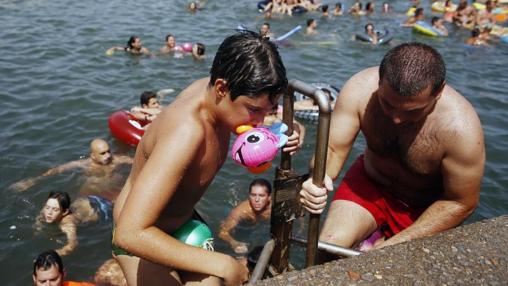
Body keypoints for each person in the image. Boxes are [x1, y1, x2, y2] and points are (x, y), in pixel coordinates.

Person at [112, 31, 300, 286]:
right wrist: (223, 263)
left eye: (268, 111)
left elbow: (259, 114)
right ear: (222, 88)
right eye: (254, 110)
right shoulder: (187, 132)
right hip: (141, 237)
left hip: (181, 222)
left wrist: (285, 134)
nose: (260, 122)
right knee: (224, 272)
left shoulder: (214, 91)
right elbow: (129, 233)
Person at [300, 43, 485, 258]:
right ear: (379, 82)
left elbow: (461, 202)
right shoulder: (359, 90)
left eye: (412, 111)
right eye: (387, 103)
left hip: (422, 207)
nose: (396, 118)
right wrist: (318, 179)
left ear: (439, 91)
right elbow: (332, 149)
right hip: (370, 184)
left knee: (383, 264)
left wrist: (392, 247)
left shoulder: (461, 129)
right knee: (327, 249)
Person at [9, 139, 132, 201]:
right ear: (93, 155)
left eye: (109, 151)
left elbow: (134, 160)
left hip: (114, 191)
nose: (108, 156)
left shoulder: (116, 160)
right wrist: (33, 180)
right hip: (92, 191)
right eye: (103, 153)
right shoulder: (83, 164)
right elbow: (58, 169)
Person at [35, 191, 112, 256]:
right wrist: (38, 226)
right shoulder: (48, 209)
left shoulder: (67, 223)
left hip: (99, 208)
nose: (49, 213)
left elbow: (72, 245)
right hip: (84, 201)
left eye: (55, 210)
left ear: (65, 212)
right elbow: (40, 216)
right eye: (47, 207)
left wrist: (51, 255)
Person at [219, 179, 272, 254]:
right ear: (249, 196)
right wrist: (234, 243)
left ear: (269, 197)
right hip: (242, 227)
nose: (257, 200)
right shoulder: (241, 212)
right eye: (253, 195)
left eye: (261, 195)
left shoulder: (274, 207)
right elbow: (222, 233)